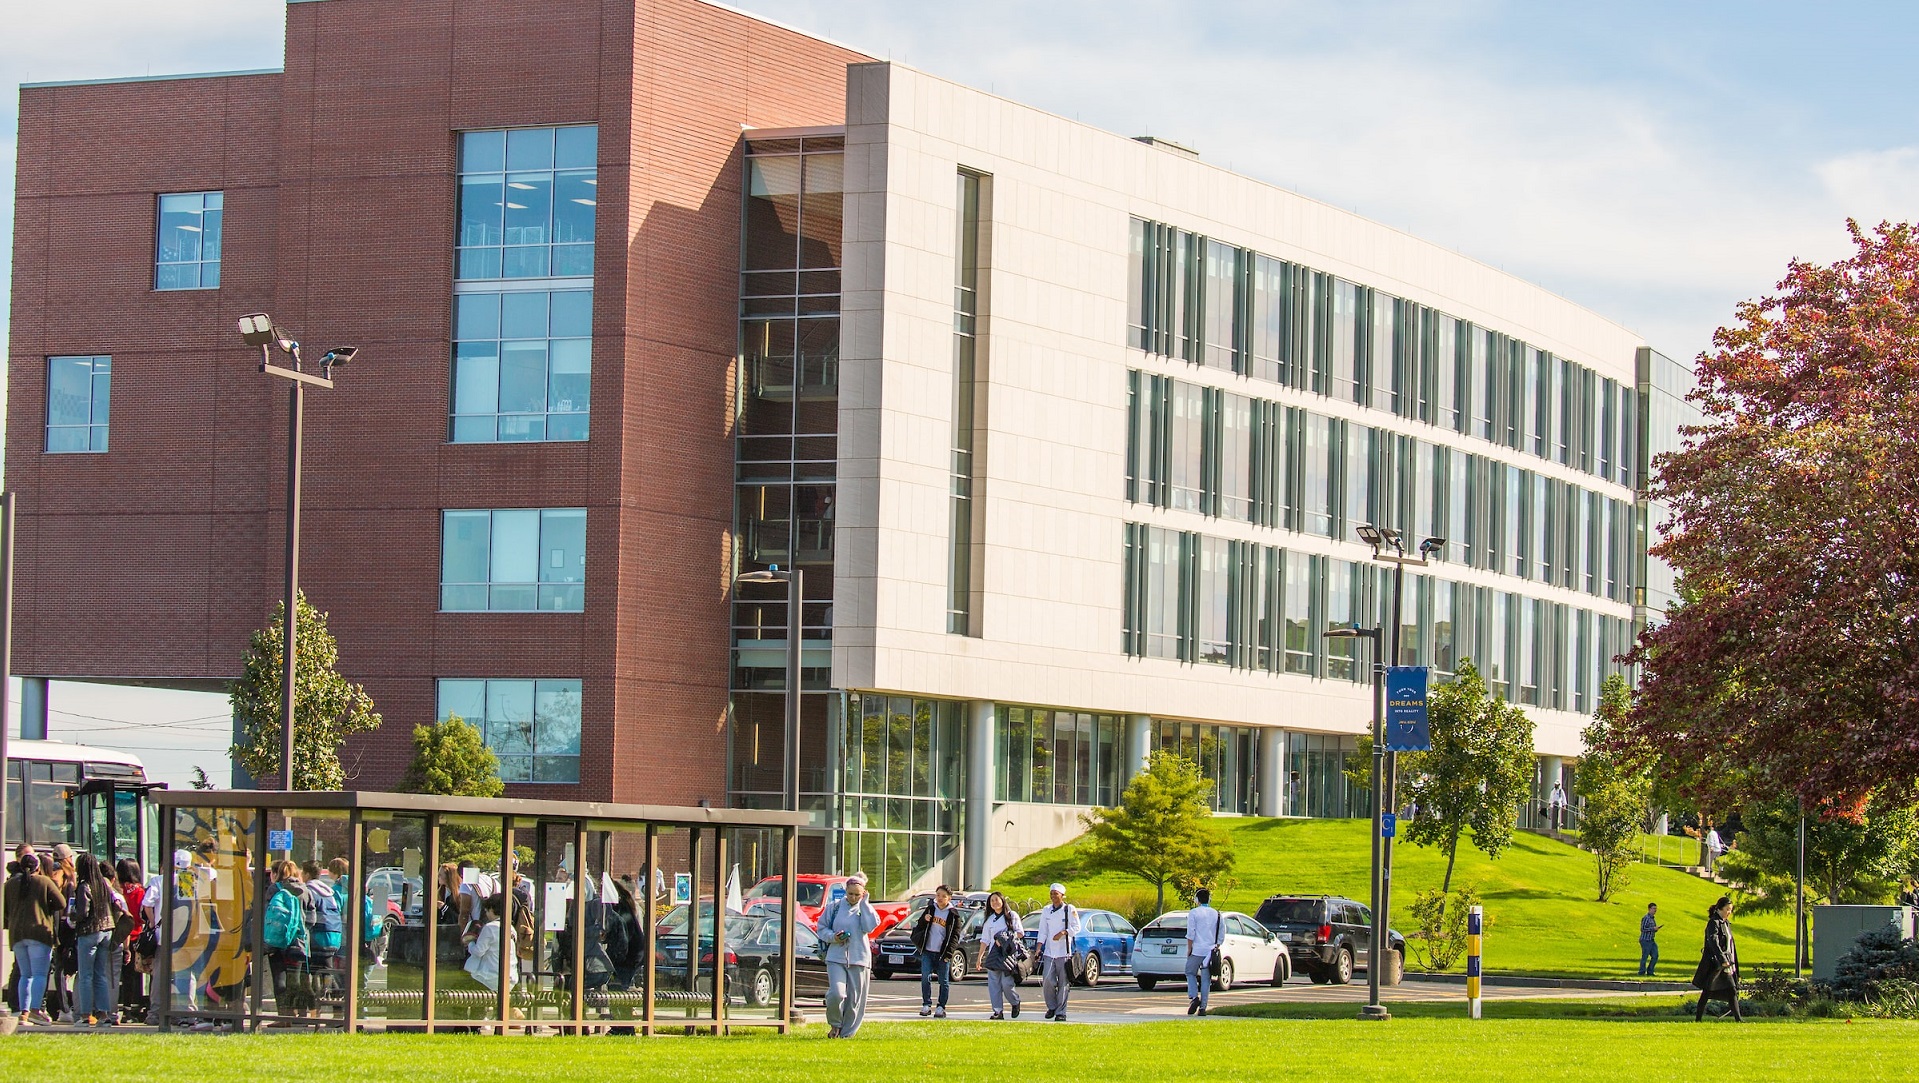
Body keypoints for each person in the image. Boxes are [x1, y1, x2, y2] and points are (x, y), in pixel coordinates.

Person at [817, 872, 879, 1038]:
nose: (853, 897)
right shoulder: (835, 907)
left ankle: (847, 1034)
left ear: (863, 893)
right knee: (836, 994)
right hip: (836, 957)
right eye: (850, 893)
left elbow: (869, 927)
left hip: (859, 959)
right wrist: (834, 937)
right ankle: (835, 1025)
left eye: (857, 895)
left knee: (854, 1001)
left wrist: (864, 904)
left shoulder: (866, 908)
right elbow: (821, 928)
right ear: (845, 891)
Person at [5, 852, 64, 1025]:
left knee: (25, 974)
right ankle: (35, 1010)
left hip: (17, 934)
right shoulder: (44, 881)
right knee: (39, 974)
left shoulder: (10, 884)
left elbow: (5, 909)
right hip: (39, 933)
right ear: (38, 867)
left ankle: (23, 1012)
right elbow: (61, 903)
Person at [69, 852, 125, 1027]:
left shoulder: (84, 886)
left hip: (89, 931)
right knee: (101, 974)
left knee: (85, 975)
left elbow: (82, 913)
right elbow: (116, 905)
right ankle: (103, 1014)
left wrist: (71, 914)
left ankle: (86, 1015)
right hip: (107, 931)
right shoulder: (104, 884)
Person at [262, 861, 312, 1018]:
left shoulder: (274, 889)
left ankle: (284, 1016)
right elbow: (312, 919)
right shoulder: (305, 890)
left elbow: (266, 915)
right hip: (297, 941)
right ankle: (300, 1014)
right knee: (295, 979)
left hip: (277, 941)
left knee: (279, 978)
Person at [1035, 882, 1081, 1022]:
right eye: (1051, 894)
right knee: (1048, 980)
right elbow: (1043, 930)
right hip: (1049, 952)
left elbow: (1077, 927)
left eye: (1056, 894)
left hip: (1064, 953)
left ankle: (1061, 1012)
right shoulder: (1046, 910)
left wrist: (1063, 932)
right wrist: (1038, 947)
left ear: (1062, 895)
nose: (1053, 896)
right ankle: (1052, 1006)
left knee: (1063, 983)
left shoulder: (1069, 909)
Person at [1692, 896, 1742, 1022]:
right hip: (1716, 964)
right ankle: (1698, 1019)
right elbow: (1713, 941)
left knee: (1730, 990)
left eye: (1731, 909)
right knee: (1709, 991)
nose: (1729, 912)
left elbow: (1730, 945)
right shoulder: (1714, 923)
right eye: (1727, 909)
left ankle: (1738, 1019)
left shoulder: (1726, 924)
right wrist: (1722, 959)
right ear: (1720, 909)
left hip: (1727, 963)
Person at [910, 884, 957, 1018]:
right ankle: (926, 1004)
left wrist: (948, 954)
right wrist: (924, 921)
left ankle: (941, 1007)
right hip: (928, 951)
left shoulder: (953, 914)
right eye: (938, 895)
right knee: (925, 977)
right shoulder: (930, 909)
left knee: (943, 981)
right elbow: (919, 926)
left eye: (943, 896)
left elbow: (955, 936)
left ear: (949, 898)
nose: (940, 898)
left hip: (942, 953)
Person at [302, 860, 345, 999]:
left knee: (311, 972)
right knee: (327, 971)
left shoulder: (309, 891)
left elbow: (309, 917)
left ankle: (322, 1006)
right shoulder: (328, 891)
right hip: (334, 936)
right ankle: (337, 1007)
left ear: (307, 874)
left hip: (318, 937)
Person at [979, 891, 1024, 1020]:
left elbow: (1020, 933)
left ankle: (1015, 1002)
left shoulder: (1011, 915)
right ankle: (998, 1011)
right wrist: (980, 957)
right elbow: (985, 940)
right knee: (994, 984)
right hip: (994, 955)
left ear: (1002, 901)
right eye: (992, 900)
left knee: (1006, 983)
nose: (994, 902)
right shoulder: (989, 920)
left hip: (1007, 955)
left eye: (997, 900)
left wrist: (1005, 938)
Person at [463, 892, 517, 995]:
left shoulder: (490, 927)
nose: (486, 914)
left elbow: (478, 952)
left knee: (466, 988)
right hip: (510, 977)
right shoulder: (511, 928)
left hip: (490, 978)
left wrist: (470, 942)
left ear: (492, 909)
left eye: (487, 910)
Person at [114, 860, 147, 1020]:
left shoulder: (118, 890)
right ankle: (131, 1007)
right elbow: (142, 916)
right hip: (136, 935)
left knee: (119, 974)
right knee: (134, 975)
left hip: (119, 936)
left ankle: (120, 1007)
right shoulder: (140, 891)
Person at [1185, 887, 1222, 1017]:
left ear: (1197, 900)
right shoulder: (1217, 914)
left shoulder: (1194, 913)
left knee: (1190, 972)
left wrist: (1189, 949)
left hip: (1197, 949)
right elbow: (1221, 935)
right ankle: (1203, 1008)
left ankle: (1194, 997)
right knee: (1206, 979)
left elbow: (1191, 933)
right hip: (1210, 950)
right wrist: (1215, 946)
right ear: (1209, 899)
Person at [1638, 903, 1663, 977]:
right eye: (1653, 908)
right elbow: (1643, 929)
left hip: (1651, 940)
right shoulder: (1646, 918)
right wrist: (1653, 929)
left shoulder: (1652, 919)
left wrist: (1656, 929)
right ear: (1649, 909)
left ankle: (1650, 971)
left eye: (1656, 909)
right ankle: (1641, 972)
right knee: (1645, 956)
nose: (1655, 910)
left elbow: (1652, 929)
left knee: (1655, 955)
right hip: (1645, 940)